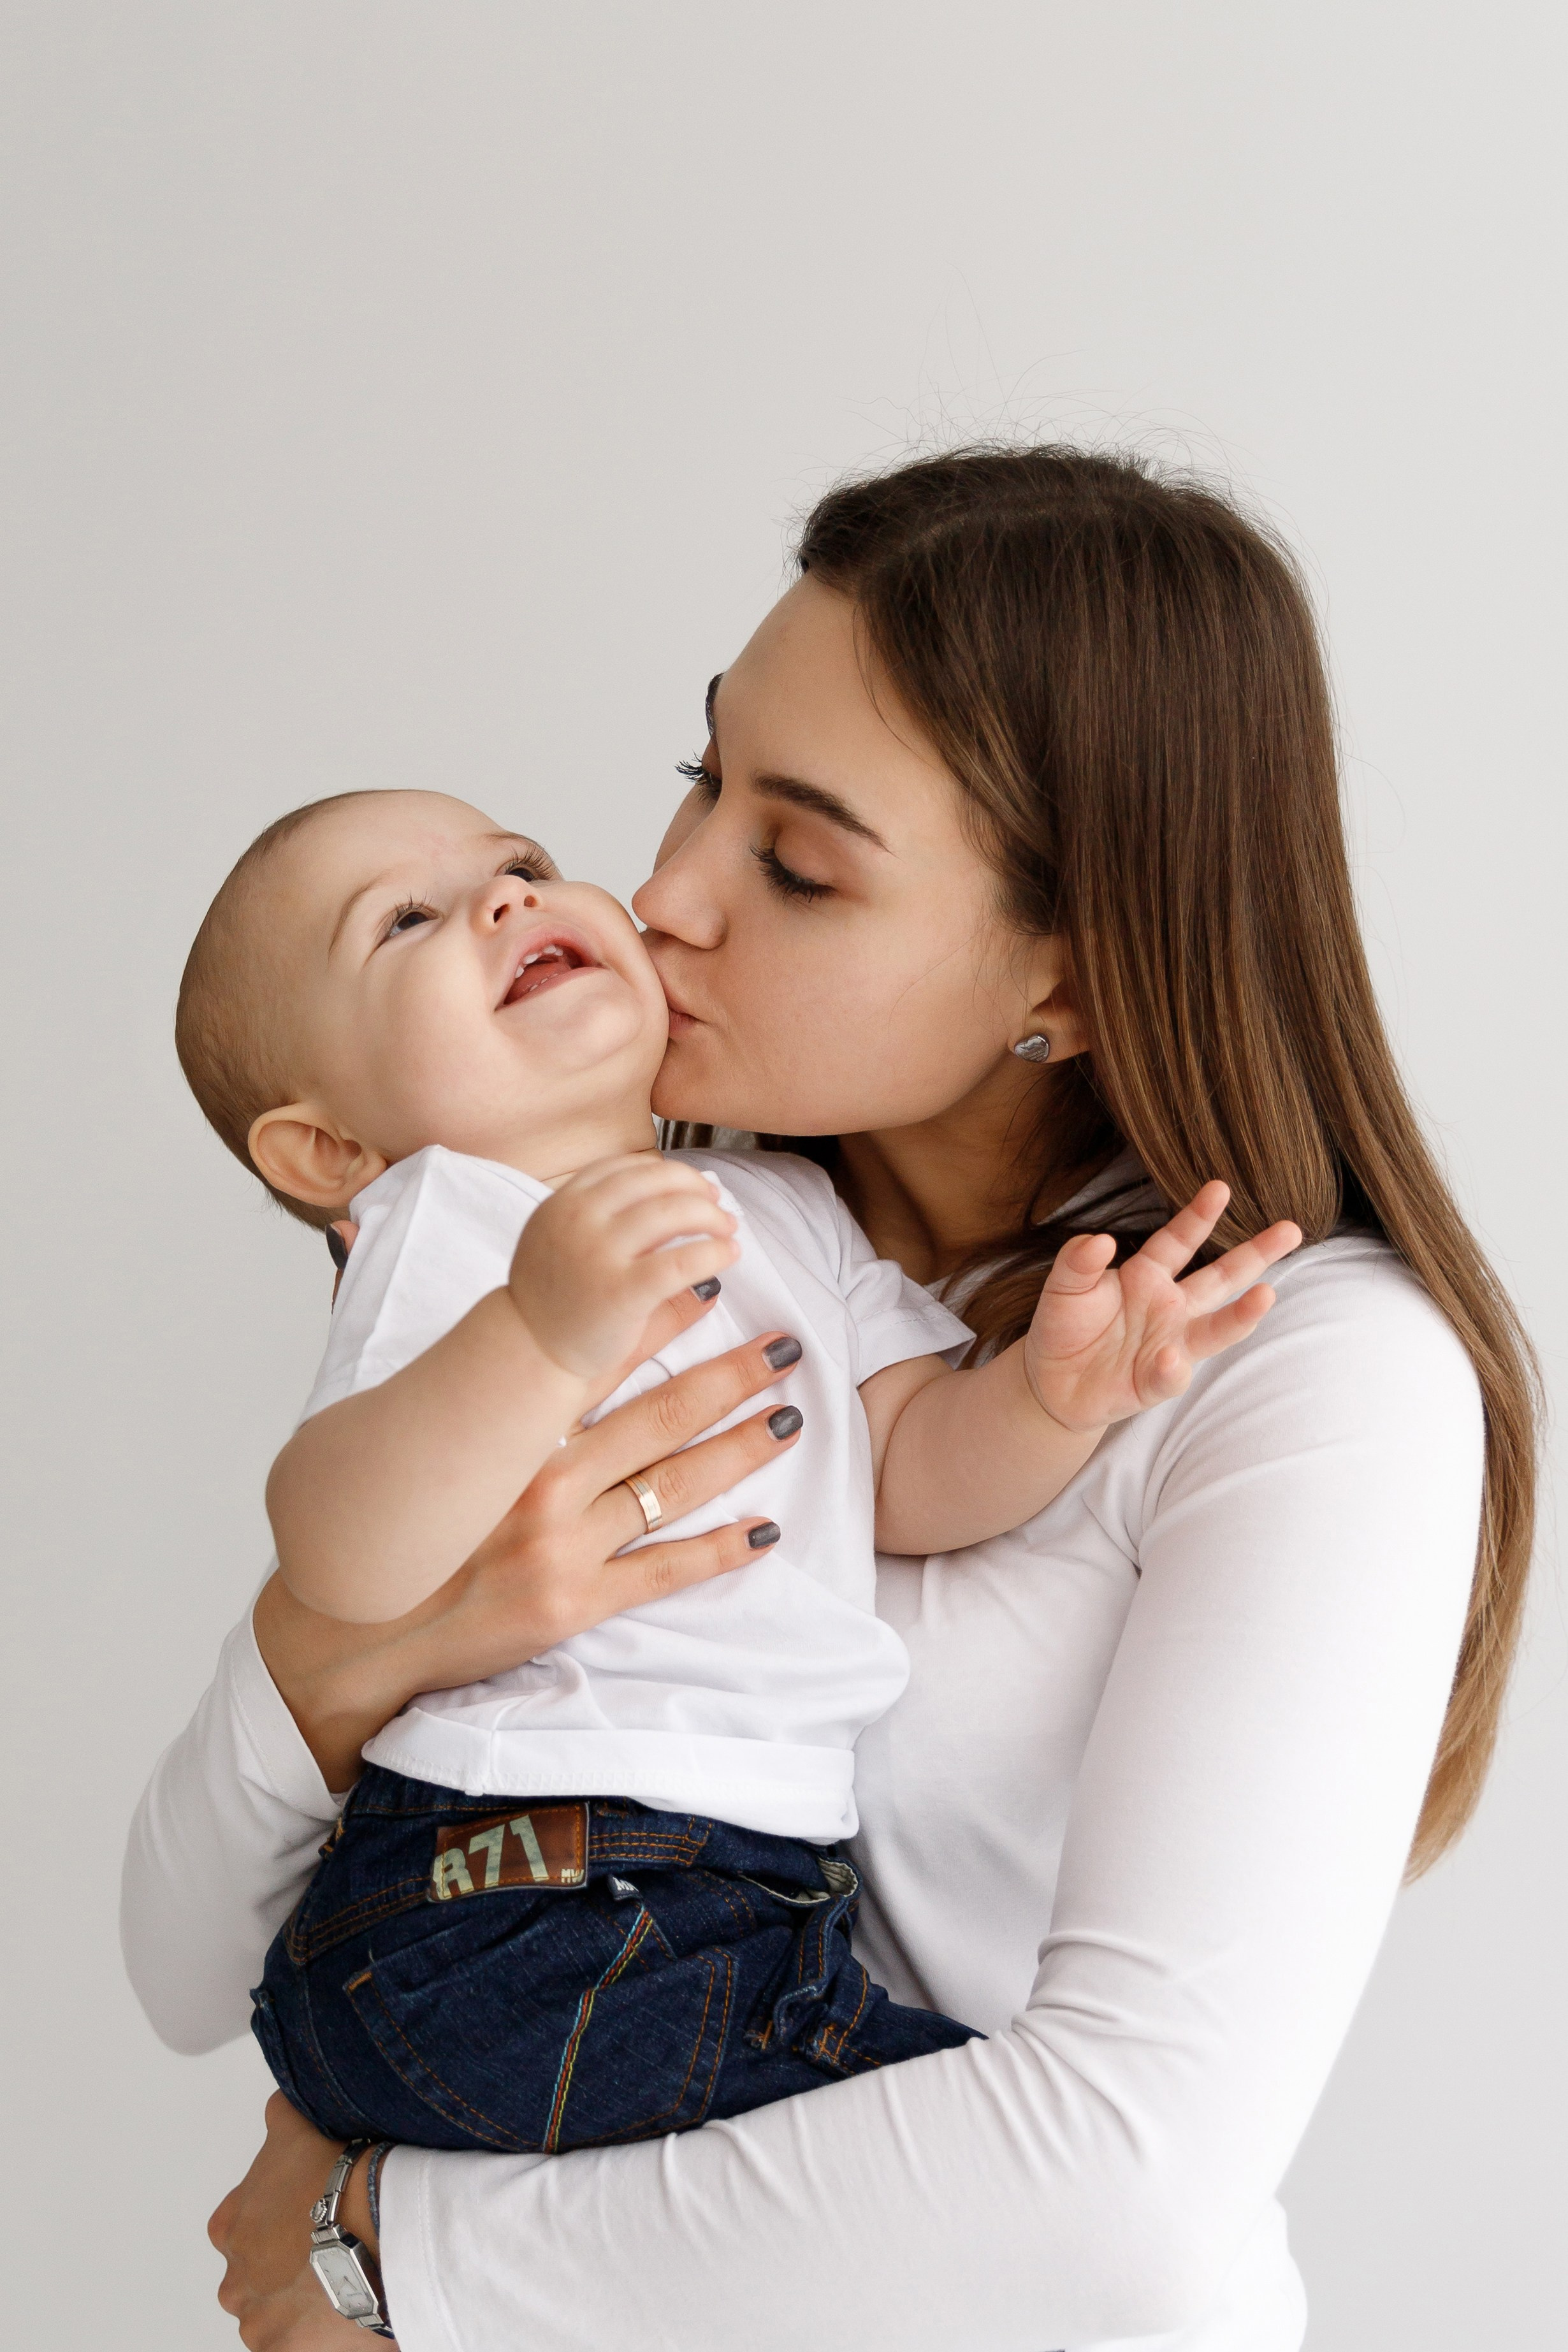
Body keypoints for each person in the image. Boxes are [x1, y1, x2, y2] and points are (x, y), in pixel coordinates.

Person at [124, 446, 1537, 2351]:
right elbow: (182, 1962)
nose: (661, 892)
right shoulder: (614, 1263)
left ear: (1072, 977)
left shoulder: (1305, 1374)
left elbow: (1122, 2190)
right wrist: (380, 1638)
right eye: (699, 771)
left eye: (794, 858)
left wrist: (392, 2257)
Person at [173, 785, 1293, 2179]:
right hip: (512, 1884)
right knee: (996, 2175)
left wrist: (1054, 1399)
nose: (508, 899)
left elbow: (902, 1470)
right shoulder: (447, 1219)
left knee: (958, 2201)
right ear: (329, 1151)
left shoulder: (785, 1208)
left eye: (519, 863)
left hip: (718, 1895)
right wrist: (535, 1333)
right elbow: (340, 1550)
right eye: (407, 921)